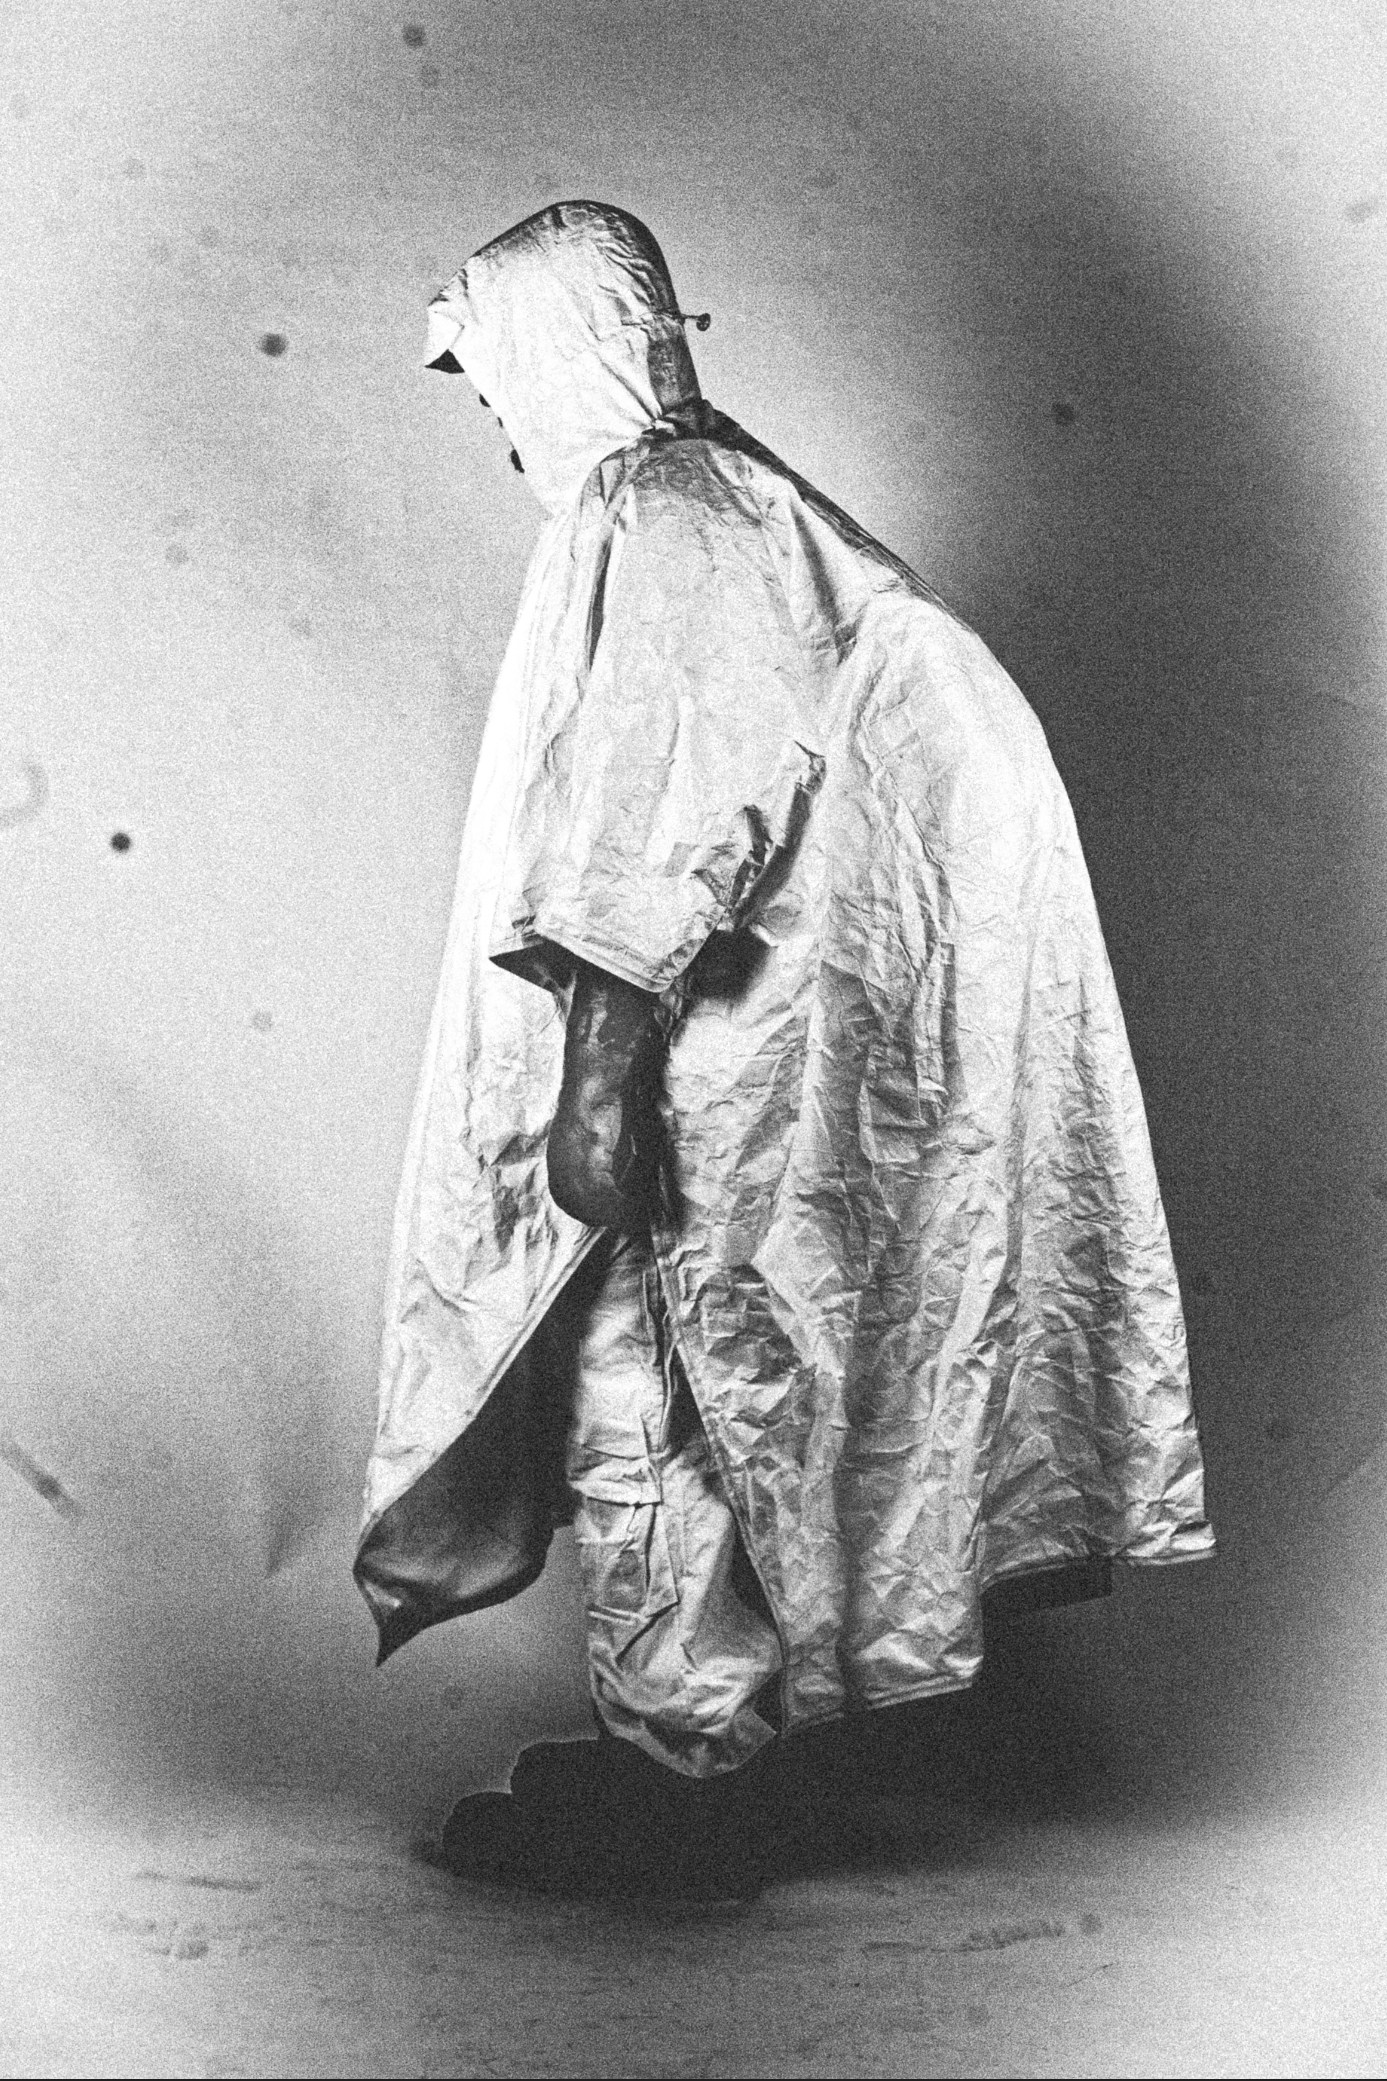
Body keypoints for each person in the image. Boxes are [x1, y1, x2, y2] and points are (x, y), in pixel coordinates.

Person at [355, 201, 1214, 1900]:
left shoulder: (662, 512)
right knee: (720, 1396)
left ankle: (678, 1778)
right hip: (760, 1070)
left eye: (496, 375)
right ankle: (697, 1741)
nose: (496, 416)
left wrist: (598, 1085)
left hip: (698, 1075)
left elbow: (668, 815)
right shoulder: (747, 501)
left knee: (651, 1394)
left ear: (563, 347)